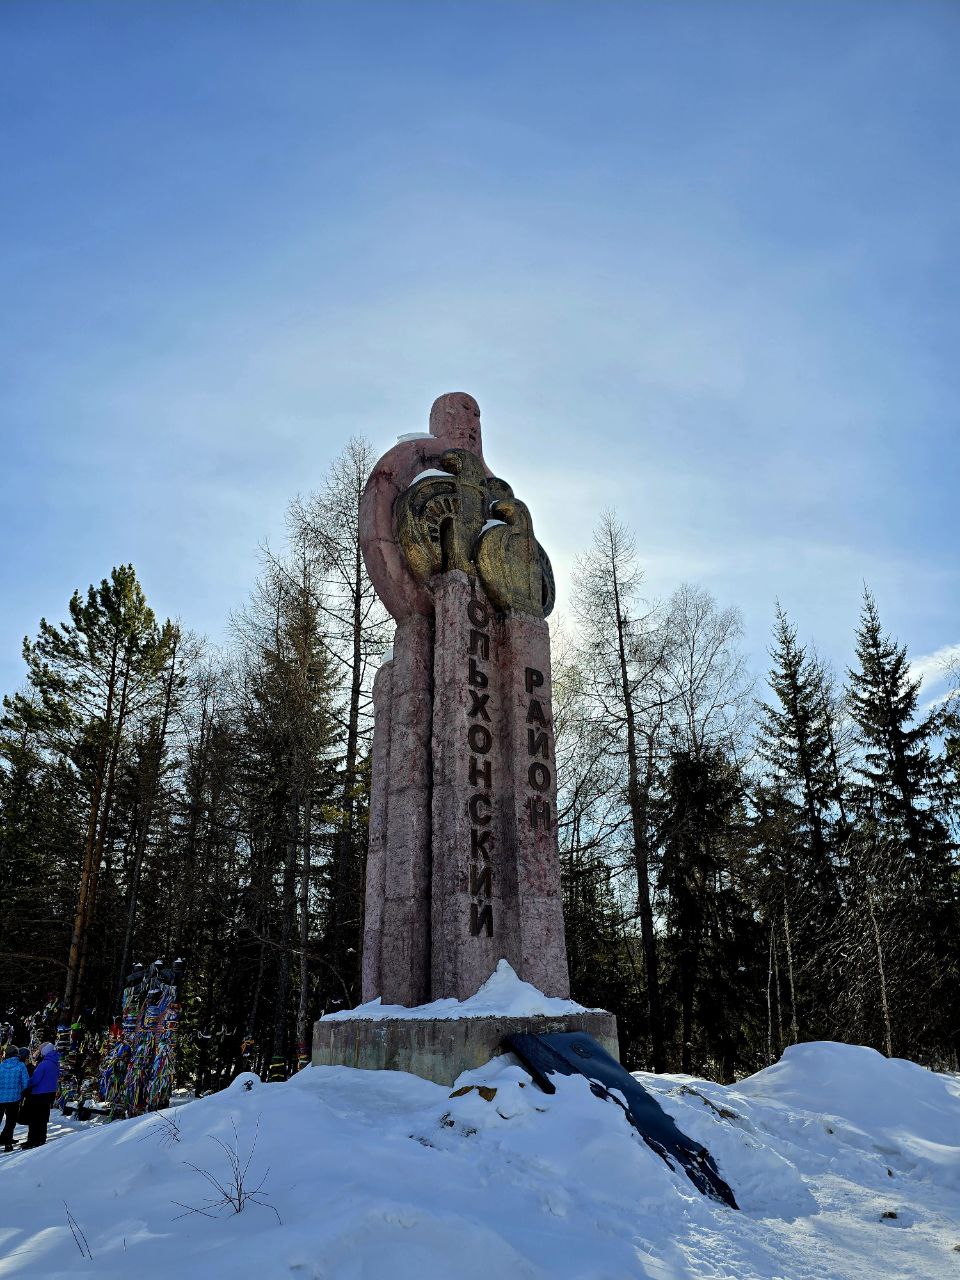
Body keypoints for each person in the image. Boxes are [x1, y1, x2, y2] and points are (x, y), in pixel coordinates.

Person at [22, 1040, 60, 1148]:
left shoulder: (43, 1064)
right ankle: (41, 1139)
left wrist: (27, 1084)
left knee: (34, 1118)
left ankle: (32, 1140)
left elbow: (35, 1079)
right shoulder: (55, 1063)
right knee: (43, 1118)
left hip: (38, 1093)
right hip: (50, 1094)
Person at [0, 1045, 29, 1152]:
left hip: (0, 1098)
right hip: (14, 1098)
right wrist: (20, 1090)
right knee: (10, 1121)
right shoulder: (21, 1065)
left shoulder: (1, 1066)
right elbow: (26, 1083)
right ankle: (8, 1144)